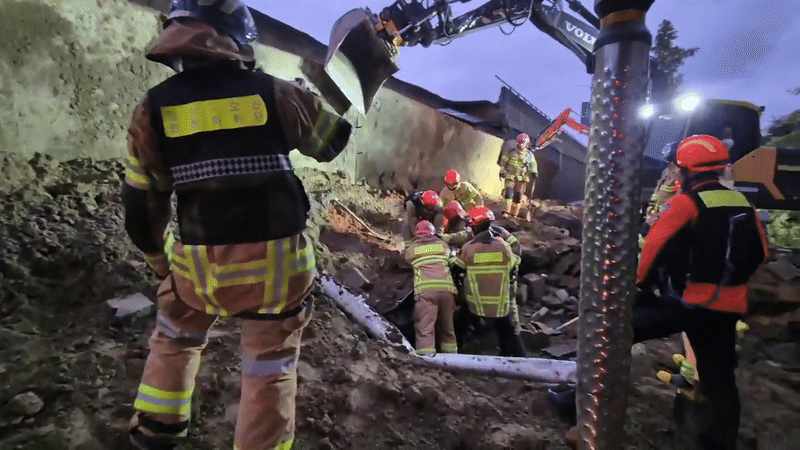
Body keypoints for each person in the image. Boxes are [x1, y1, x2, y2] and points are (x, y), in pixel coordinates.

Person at [121, 1, 354, 448]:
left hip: (200, 266)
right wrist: (308, 94)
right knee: (270, 364)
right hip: (276, 269)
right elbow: (332, 143)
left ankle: (157, 427)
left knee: (176, 327)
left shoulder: (152, 109)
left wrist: (158, 260)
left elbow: (139, 203)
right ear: (237, 38)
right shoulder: (276, 93)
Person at [634, 135, 769, 449]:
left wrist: (641, 284)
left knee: (610, 334)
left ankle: (575, 398)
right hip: (727, 305)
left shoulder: (685, 202)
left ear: (686, 170)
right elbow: (762, 251)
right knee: (720, 379)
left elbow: (653, 248)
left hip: (684, 300)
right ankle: (715, 442)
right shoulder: (745, 202)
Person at [452, 206, 526, 357]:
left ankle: (457, 352)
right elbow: (512, 266)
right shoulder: (504, 247)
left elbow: (458, 268)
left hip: (475, 305)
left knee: (460, 320)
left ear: (473, 226)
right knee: (508, 330)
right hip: (499, 306)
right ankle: (519, 359)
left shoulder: (468, 249)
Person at [404, 220, 459, 355]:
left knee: (425, 330)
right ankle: (453, 363)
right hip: (447, 291)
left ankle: (427, 363)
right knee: (448, 330)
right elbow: (449, 259)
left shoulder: (411, 250)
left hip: (426, 293)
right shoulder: (442, 245)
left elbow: (406, 262)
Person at [499, 133, 532, 218]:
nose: (520, 144)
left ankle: (514, 214)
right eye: (519, 142)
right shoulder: (511, 152)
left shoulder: (529, 156)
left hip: (521, 179)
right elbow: (504, 162)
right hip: (510, 176)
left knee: (518, 197)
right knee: (508, 194)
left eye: (522, 142)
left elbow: (533, 166)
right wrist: (502, 171)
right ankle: (506, 212)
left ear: (527, 144)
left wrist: (534, 172)